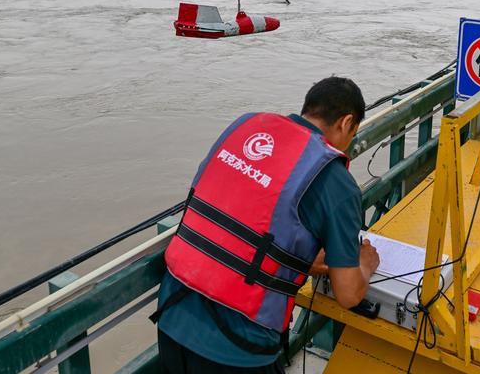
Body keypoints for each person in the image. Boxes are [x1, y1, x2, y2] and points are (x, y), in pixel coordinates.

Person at [152, 77, 380, 373]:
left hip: (172, 316)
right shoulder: (335, 181)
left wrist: (296, 261)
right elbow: (348, 295)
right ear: (346, 122)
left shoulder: (245, 127)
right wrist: (365, 265)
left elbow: (243, 224)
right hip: (237, 348)